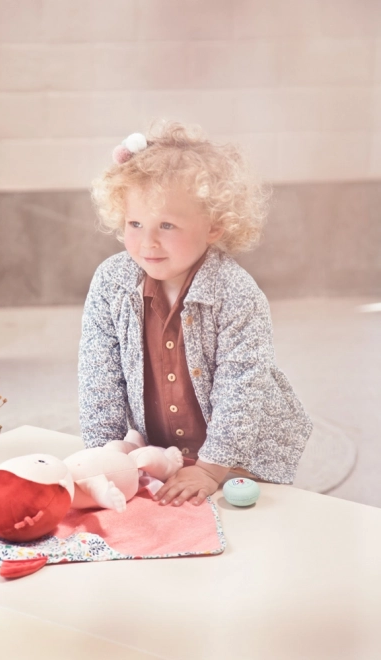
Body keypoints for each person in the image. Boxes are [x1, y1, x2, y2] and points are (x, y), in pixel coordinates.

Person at [79, 121, 312, 508]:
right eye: (135, 223)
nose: (148, 241)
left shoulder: (235, 293)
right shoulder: (111, 283)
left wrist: (210, 468)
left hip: (238, 452)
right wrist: (105, 455)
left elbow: (242, 386)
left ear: (214, 226)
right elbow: (98, 376)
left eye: (167, 225)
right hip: (160, 446)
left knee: (240, 517)